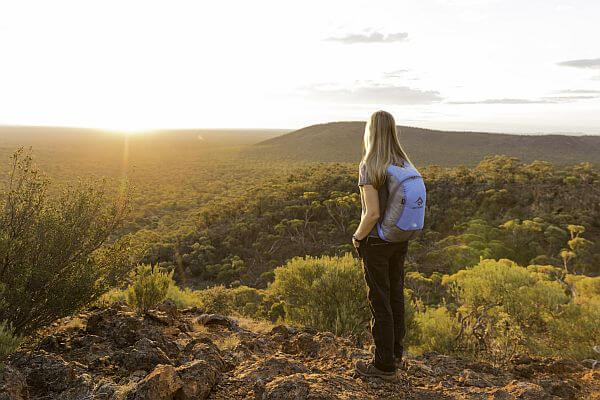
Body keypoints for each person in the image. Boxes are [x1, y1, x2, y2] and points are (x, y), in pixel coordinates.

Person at [352, 110, 415, 380]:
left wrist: (357, 237)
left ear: (371, 132)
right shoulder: (404, 163)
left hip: (377, 241)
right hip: (399, 239)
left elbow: (373, 213)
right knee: (395, 296)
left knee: (380, 301)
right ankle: (395, 356)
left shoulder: (370, 165)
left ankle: (383, 366)